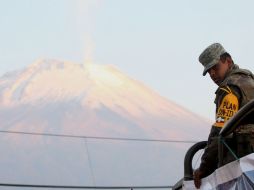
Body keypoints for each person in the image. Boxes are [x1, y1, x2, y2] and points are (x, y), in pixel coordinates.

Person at [193, 43, 254, 189]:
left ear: (228, 60)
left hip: (240, 171)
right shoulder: (250, 81)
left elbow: (220, 132)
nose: (212, 74)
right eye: (209, 71)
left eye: (215, 67)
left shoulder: (230, 89)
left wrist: (203, 168)